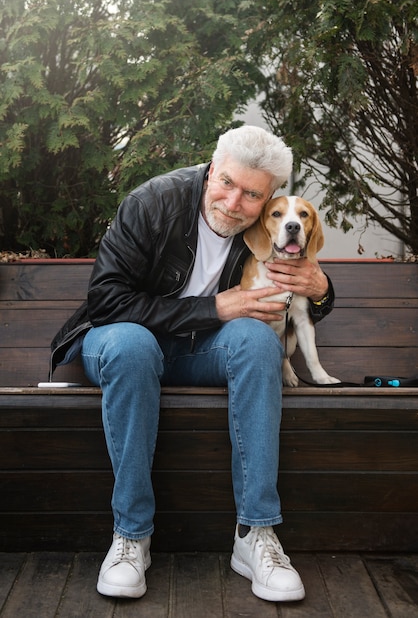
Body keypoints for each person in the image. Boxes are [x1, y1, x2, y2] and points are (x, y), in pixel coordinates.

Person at [51, 125, 334, 603]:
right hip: (120, 345)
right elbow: (105, 301)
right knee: (134, 346)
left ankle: (255, 534)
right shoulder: (152, 202)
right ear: (211, 169)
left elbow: (300, 300)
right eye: (226, 182)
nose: (233, 202)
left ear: (268, 200)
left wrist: (321, 290)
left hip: (200, 352)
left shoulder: (266, 229)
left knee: (257, 342)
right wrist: (214, 309)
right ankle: (131, 535)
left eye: (251, 195)